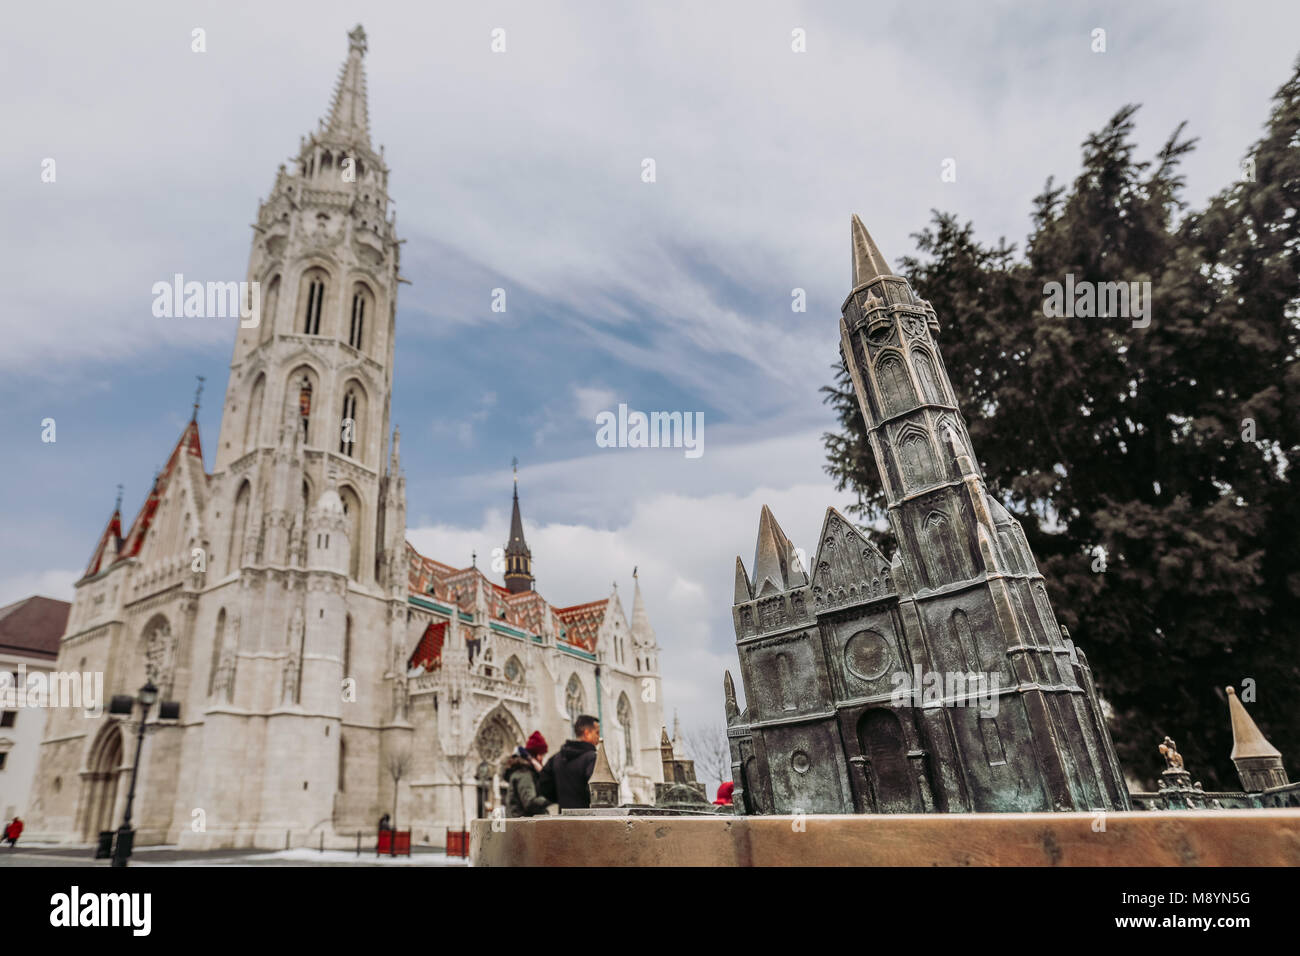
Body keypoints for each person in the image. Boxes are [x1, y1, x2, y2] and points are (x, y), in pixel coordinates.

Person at [538, 714, 600, 809]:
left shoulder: (556, 758)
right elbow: (596, 790)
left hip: (564, 815)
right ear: (587, 733)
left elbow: (543, 785)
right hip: (587, 815)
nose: (599, 738)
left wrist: (562, 799)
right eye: (597, 733)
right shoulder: (592, 758)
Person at [502, 731, 551, 818]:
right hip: (523, 824)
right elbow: (530, 803)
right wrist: (552, 797)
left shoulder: (526, 772)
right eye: (542, 755)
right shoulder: (524, 774)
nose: (542, 759)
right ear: (537, 756)